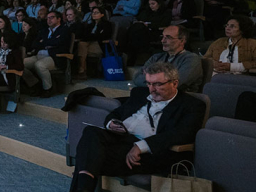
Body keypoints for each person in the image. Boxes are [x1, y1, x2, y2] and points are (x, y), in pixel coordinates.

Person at [69, 62, 206, 192]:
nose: (152, 89)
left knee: (87, 156)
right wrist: (111, 123)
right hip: (122, 138)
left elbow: (182, 133)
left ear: (174, 83)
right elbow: (117, 112)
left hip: (152, 152)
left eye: (158, 84)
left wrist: (141, 146)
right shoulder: (140, 93)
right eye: (149, 83)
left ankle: (84, 187)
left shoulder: (191, 105)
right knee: (90, 132)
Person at [132, 25, 202, 93]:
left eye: (168, 37)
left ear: (182, 41)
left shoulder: (191, 59)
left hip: (180, 99)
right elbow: (137, 78)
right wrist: (162, 81)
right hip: (155, 97)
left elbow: (176, 84)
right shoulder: (156, 57)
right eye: (162, 37)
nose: (163, 41)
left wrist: (150, 78)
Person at [23, 11, 71, 98]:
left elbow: (58, 43)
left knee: (40, 65)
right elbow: (34, 44)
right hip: (39, 55)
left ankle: (48, 89)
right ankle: (34, 84)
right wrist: (49, 44)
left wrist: (43, 42)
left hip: (54, 57)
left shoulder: (64, 30)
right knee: (22, 63)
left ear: (59, 19)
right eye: (48, 18)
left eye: (52, 17)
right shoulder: (44, 31)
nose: (49, 20)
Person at [76, 7, 113, 80]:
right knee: (81, 45)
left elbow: (102, 36)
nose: (94, 14)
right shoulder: (90, 25)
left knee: (80, 48)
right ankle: (82, 71)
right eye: (93, 13)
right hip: (88, 44)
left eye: (96, 12)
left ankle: (82, 71)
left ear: (102, 14)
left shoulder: (106, 24)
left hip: (99, 45)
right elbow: (85, 35)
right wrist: (93, 36)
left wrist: (92, 36)